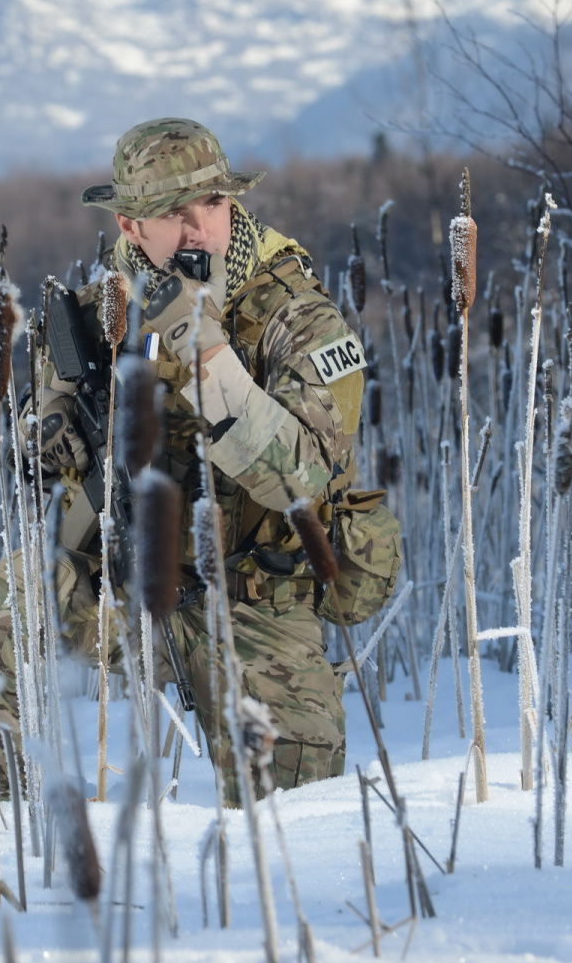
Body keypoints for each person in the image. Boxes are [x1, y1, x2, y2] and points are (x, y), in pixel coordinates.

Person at [31, 118, 400, 794]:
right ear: (129, 226)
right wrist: (52, 431)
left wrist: (209, 360)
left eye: (215, 203)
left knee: (293, 805)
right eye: (174, 213)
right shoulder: (94, 316)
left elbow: (304, 474)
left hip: (257, 596)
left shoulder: (296, 314)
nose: (201, 229)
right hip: (129, 589)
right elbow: (42, 478)